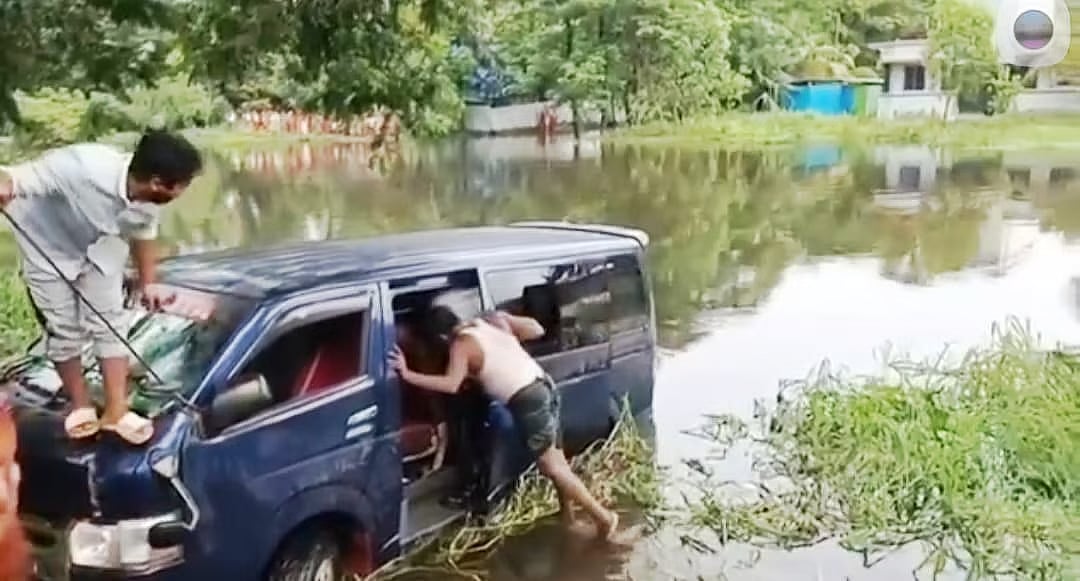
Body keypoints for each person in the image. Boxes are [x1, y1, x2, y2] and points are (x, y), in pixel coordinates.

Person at [0, 130, 203, 445]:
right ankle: (81, 407)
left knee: (111, 325)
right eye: (183, 185)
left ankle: (116, 413)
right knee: (64, 331)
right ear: (157, 182)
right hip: (47, 248)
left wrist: (148, 283)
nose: (182, 191)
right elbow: (16, 178)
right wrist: (4, 187)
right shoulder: (82, 166)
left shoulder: (149, 202)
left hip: (100, 249)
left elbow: (143, 234)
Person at [388, 307, 621, 540]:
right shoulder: (483, 325)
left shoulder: (461, 344)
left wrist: (407, 374)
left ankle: (604, 518)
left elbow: (451, 384)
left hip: (527, 399)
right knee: (557, 463)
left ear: (441, 336)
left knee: (552, 467)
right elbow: (532, 332)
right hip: (543, 385)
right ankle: (568, 517)